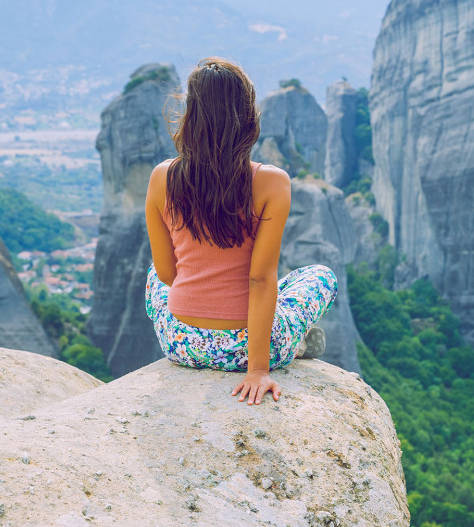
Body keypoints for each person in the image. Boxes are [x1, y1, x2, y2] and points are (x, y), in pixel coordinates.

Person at [143, 56, 337, 406]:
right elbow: (260, 280)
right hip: (245, 351)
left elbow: (167, 273)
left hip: (181, 343)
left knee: (152, 273)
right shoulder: (272, 183)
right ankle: (296, 342)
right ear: (248, 117)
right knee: (319, 276)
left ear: (190, 116)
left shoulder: (162, 177)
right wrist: (258, 370)